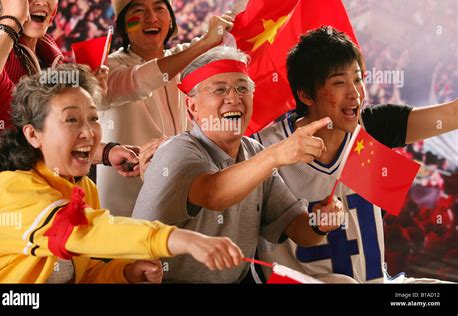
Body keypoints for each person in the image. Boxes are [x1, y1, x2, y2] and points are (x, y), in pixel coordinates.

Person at [0, 64, 243, 283]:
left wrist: (124, 272)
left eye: (93, 118)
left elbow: (84, 271)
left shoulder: (83, 188)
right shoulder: (12, 190)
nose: (89, 132)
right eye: (72, 120)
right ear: (33, 134)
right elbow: (83, 232)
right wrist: (182, 239)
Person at [253, 26, 458, 283]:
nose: (355, 93)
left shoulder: (371, 127)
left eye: (358, 79)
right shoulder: (264, 149)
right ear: (305, 94)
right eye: (339, 82)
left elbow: (451, 115)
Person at [132, 46, 345, 283]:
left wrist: (321, 222)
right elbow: (214, 193)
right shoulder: (177, 150)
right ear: (192, 107)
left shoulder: (253, 152)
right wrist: (277, 154)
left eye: (242, 88)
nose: (234, 98)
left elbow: (299, 229)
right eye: (220, 89)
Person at [98, 0, 279, 216]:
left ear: (171, 21)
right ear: (123, 26)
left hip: (181, 202)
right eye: (137, 12)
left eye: (159, 9)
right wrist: (204, 43)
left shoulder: (187, 56)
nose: (150, 18)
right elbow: (139, 81)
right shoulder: (107, 69)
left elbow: (234, 22)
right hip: (125, 213)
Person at [0, 0, 142, 191]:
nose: (39, 1)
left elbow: (48, 136)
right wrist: (11, 20)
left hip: (43, 196)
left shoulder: (49, 54)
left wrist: (106, 151)